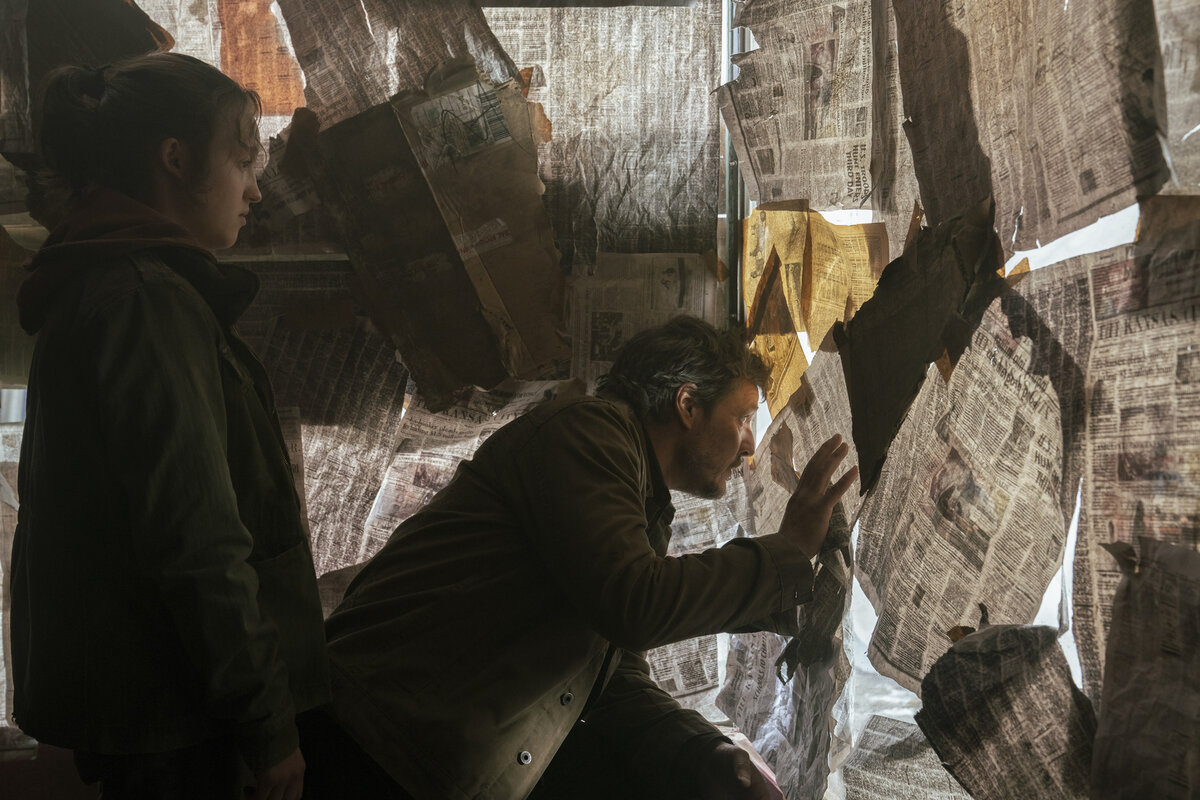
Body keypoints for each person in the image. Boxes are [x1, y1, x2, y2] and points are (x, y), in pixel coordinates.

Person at [303, 316, 857, 799]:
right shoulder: (589, 433)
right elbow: (635, 603)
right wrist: (786, 552)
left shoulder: (640, 494)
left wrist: (701, 749)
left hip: (409, 757)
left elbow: (605, 673)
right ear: (687, 405)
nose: (749, 445)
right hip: (364, 744)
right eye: (741, 419)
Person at [11, 52, 329, 799]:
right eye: (242, 161)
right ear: (176, 160)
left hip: (153, 707)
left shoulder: (107, 282)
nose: (255, 190)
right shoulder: (144, 300)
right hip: (176, 716)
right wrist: (267, 724)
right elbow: (195, 536)